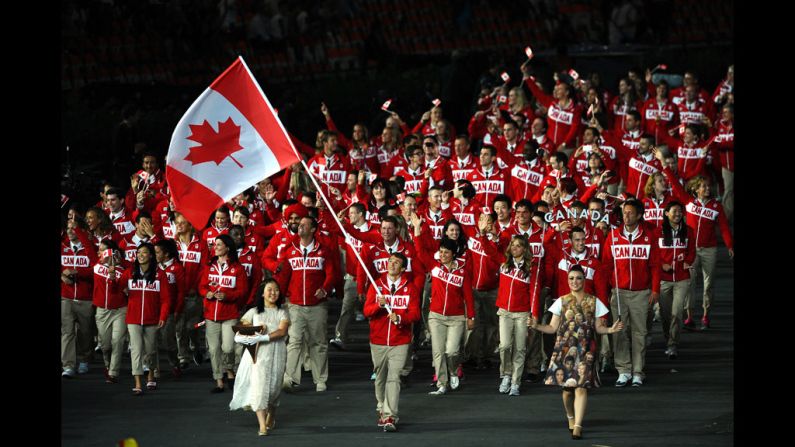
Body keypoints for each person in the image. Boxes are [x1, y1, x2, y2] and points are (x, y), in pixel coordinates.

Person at [529, 265, 624, 440]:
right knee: (567, 391)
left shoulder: (595, 302)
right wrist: (536, 326)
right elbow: (552, 328)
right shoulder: (561, 301)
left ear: (584, 280)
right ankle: (571, 416)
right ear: (567, 280)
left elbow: (598, 328)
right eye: (571, 278)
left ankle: (578, 426)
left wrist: (611, 330)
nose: (575, 281)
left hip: (586, 349)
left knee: (581, 387)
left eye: (578, 278)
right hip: (563, 350)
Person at [602, 199, 661, 387]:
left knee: (640, 333)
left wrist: (655, 290)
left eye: (629, 213)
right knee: (620, 332)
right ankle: (623, 370)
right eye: (624, 212)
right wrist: (607, 291)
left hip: (641, 293)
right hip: (618, 292)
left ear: (639, 215)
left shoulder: (649, 235)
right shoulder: (613, 236)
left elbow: (655, 265)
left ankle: (637, 371)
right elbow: (605, 265)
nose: (625, 216)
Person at [364, 252, 421, 432]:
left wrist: (400, 318)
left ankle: (390, 415)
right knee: (380, 378)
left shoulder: (410, 288)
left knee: (394, 378)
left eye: (396, 262)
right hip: (378, 340)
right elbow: (366, 311)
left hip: (400, 340)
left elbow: (415, 314)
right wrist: (378, 306)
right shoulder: (376, 285)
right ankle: (382, 406)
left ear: (403, 268)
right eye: (390, 261)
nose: (392, 264)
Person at [230, 279, 291, 436]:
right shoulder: (254, 311)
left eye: (276, 290)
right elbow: (241, 326)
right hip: (259, 354)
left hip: (277, 352)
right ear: (263, 293)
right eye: (270, 290)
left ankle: (272, 414)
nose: (273, 293)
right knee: (260, 387)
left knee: (274, 388)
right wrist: (255, 329)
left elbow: (282, 331)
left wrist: (262, 337)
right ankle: (262, 426)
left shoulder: (282, 311)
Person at [492, 235, 542, 396]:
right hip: (505, 312)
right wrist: (482, 235)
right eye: (513, 245)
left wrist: (534, 315)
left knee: (520, 348)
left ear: (525, 249)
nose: (515, 248)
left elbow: (534, 293)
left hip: (522, 313)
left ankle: (515, 382)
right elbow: (488, 250)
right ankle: (506, 374)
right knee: (505, 346)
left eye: (519, 245)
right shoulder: (504, 263)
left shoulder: (531, 269)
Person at [199, 234, 249, 393]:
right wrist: (206, 293)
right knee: (213, 349)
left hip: (229, 314)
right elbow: (202, 286)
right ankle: (219, 379)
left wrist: (228, 296)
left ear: (227, 247)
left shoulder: (238, 268)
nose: (216, 247)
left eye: (219, 244)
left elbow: (242, 291)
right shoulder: (209, 266)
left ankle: (229, 369)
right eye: (215, 244)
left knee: (228, 348)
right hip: (210, 314)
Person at [119, 243, 171, 395]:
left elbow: (166, 299)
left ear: (151, 256)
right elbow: (116, 287)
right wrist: (113, 277)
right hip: (133, 319)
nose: (140, 255)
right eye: (138, 252)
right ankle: (137, 382)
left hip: (152, 319)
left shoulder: (159, 274)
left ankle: (150, 375)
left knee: (150, 350)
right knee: (136, 349)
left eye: (144, 252)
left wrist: (163, 316)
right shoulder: (129, 272)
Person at [656, 202, 696, 359]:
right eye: (674, 211)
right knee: (665, 315)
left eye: (680, 211)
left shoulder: (688, 231)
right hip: (663, 279)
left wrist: (688, 261)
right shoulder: (658, 231)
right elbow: (653, 252)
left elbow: (692, 251)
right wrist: (662, 264)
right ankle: (668, 338)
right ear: (666, 213)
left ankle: (673, 344)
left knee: (677, 312)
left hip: (682, 278)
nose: (678, 214)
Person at [92, 240, 127, 383]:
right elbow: (88, 249)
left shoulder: (124, 269)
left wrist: (120, 262)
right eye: (99, 250)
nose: (99, 252)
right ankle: (107, 364)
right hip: (102, 310)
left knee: (117, 341)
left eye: (103, 250)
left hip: (120, 310)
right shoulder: (96, 266)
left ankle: (113, 372)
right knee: (105, 345)